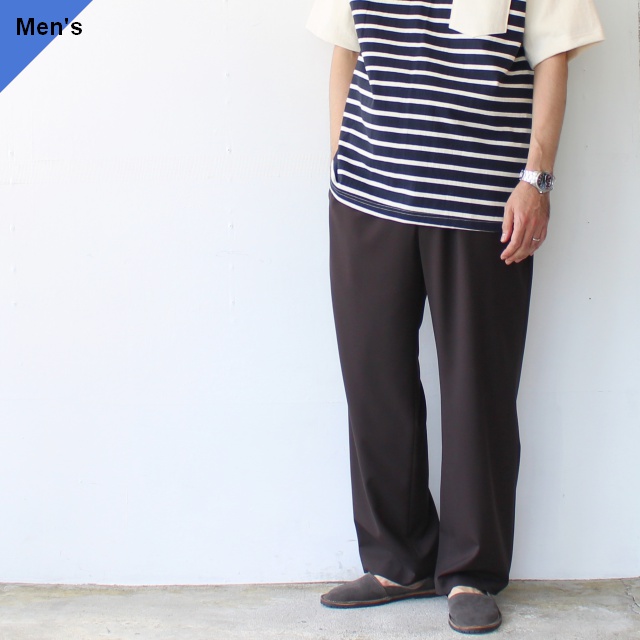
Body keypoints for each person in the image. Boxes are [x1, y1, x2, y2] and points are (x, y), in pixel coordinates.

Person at [306, 0, 604, 634]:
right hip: (367, 197)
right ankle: (397, 561)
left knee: (478, 392)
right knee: (374, 384)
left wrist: (537, 180)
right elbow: (345, 49)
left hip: (482, 206)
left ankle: (472, 571)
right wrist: (339, 158)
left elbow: (554, 60)